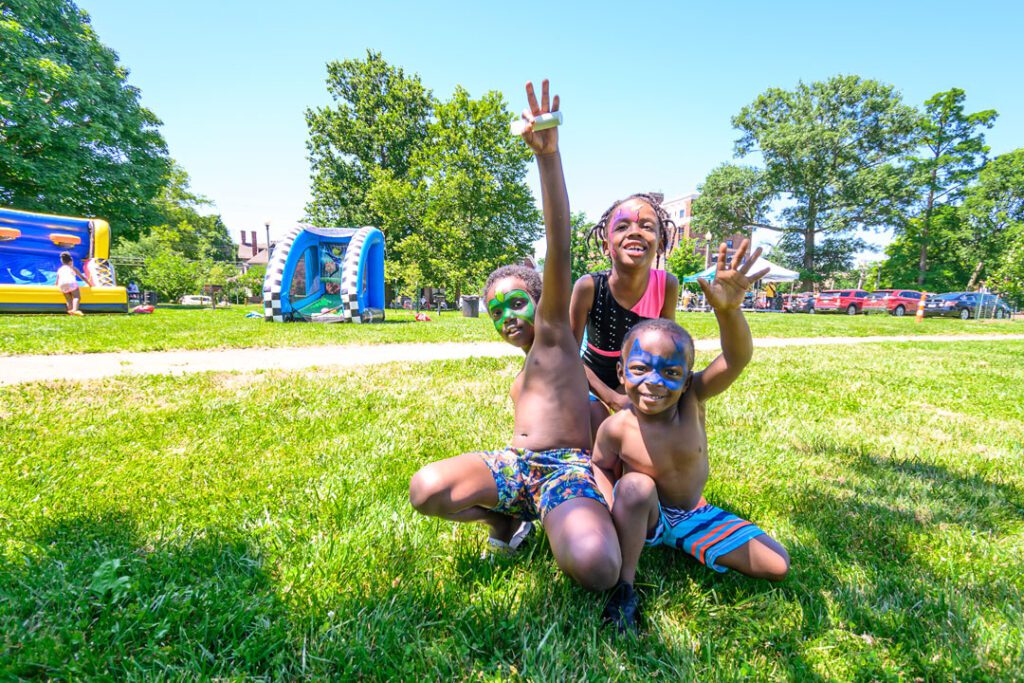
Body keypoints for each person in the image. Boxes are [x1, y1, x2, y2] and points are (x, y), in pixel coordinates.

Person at [409, 80, 620, 591]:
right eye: (494, 309)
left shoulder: (554, 337)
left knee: (597, 567)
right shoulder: (524, 371)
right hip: (515, 468)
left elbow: (558, 242)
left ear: (541, 301)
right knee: (426, 489)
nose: (505, 314)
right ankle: (505, 523)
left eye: (516, 302)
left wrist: (548, 158)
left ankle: (560, 523)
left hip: (564, 473)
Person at [592, 240, 790, 631]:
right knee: (633, 487)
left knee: (777, 565)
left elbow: (736, 359)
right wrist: (610, 507)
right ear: (621, 373)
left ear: (686, 381)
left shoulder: (693, 400)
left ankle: (686, 541)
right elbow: (600, 466)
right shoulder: (616, 426)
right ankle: (625, 587)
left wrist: (728, 311)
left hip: (693, 514)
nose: (654, 383)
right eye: (640, 369)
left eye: (670, 373)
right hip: (645, 517)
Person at [569, 196, 679, 440]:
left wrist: (633, 393)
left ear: (660, 243)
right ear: (607, 245)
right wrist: (611, 398)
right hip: (590, 376)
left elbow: (667, 351)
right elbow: (569, 356)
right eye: (622, 226)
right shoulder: (588, 287)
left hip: (636, 375)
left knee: (645, 424)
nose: (635, 232)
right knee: (595, 417)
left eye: (647, 226)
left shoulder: (666, 286)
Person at [56, 251, 88, 316]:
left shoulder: (60, 269)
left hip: (62, 284)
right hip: (71, 283)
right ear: (71, 262)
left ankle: (71, 313)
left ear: (62, 262)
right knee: (76, 297)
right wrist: (90, 284)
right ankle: (75, 310)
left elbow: (57, 280)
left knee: (68, 299)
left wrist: (55, 286)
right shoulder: (72, 268)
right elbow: (82, 277)